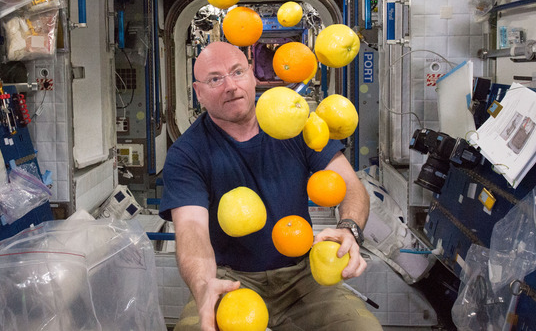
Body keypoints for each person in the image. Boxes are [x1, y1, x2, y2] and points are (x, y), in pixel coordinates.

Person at [160, 41, 382, 331]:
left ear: (253, 76)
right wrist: (203, 287)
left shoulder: (299, 123)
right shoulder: (186, 153)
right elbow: (192, 230)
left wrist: (348, 228)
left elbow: (350, 185)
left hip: (303, 275)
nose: (231, 86)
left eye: (237, 72)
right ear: (198, 92)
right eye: (215, 79)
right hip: (231, 280)